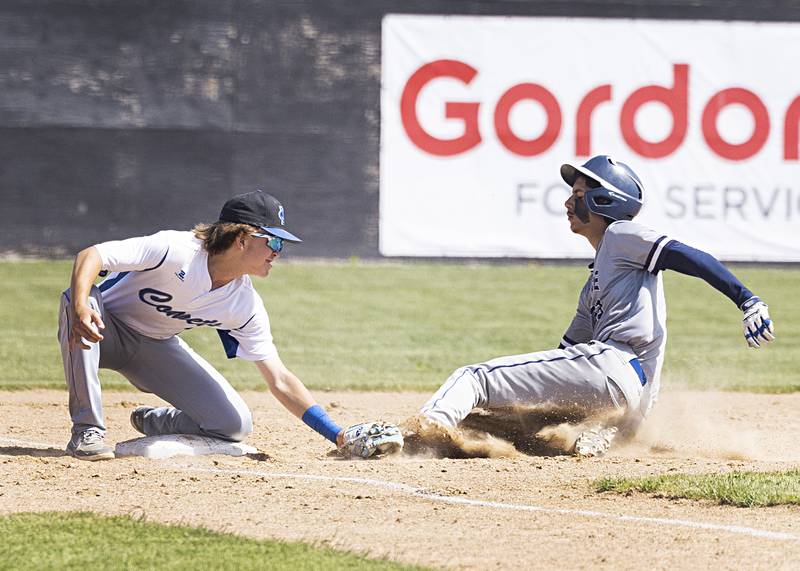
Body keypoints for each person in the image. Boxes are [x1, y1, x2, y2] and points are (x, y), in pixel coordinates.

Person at [419, 155, 775, 456]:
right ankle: (588, 436)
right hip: (623, 393)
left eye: (578, 194)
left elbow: (686, 255)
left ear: (604, 201)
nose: (567, 204)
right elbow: (562, 362)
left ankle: (419, 433)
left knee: (473, 378)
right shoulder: (595, 284)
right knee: (502, 421)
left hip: (609, 367)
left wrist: (747, 299)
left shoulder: (621, 235)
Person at [59, 190, 402, 460]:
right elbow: (93, 255)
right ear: (242, 238)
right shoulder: (175, 250)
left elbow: (279, 378)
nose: (278, 252)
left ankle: (159, 420)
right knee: (83, 300)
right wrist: (78, 305)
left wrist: (337, 434)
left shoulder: (244, 303)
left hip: (154, 347)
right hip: (101, 327)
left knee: (234, 424)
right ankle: (87, 432)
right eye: (275, 241)